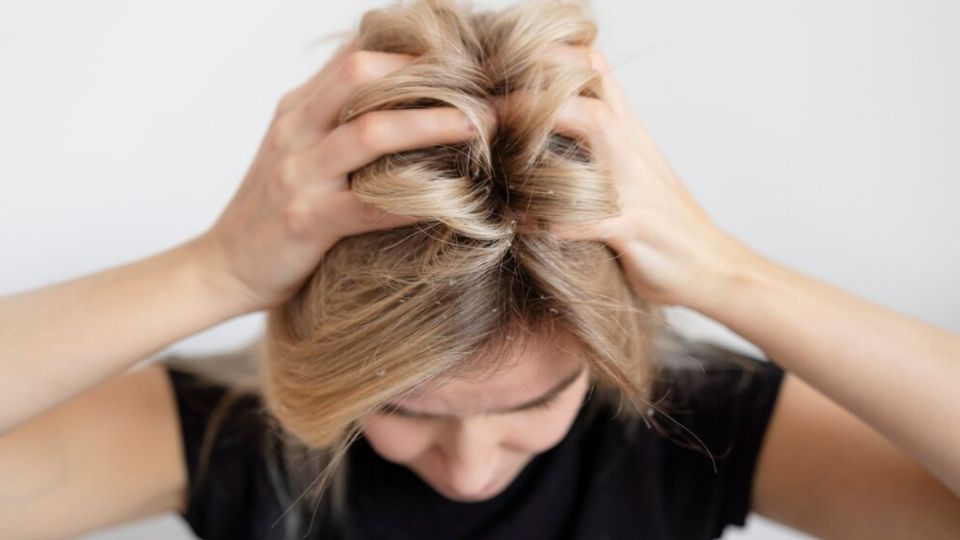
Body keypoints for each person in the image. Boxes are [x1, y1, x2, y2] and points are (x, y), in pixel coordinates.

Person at [1, 0, 958, 539]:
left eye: (532, 406)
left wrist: (724, 272)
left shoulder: (694, 426)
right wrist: (215, 270)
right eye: (407, 412)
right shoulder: (235, 441)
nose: (468, 472)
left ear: (612, 352)